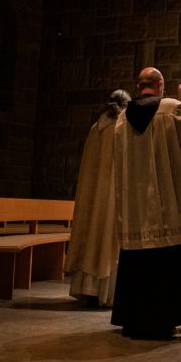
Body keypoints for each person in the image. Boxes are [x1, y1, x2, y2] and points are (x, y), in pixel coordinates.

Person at [110, 67, 181, 339]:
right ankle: (163, 320)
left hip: (136, 207)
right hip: (168, 203)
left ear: (138, 86)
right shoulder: (171, 109)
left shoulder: (122, 118)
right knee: (167, 264)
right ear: (160, 85)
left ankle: (134, 320)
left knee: (138, 265)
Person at [65, 89, 131, 307]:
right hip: (113, 193)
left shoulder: (96, 128)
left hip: (94, 196)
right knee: (108, 239)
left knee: (92, 235)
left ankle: (87, 289)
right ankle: (107, 293)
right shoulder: (122, 128)